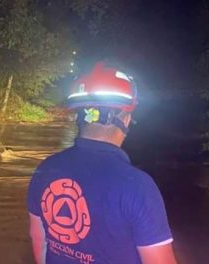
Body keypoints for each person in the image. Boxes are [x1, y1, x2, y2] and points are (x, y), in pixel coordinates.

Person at [27, 61, 177, 264]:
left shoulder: (45, 170)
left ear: (79, 118)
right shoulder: (138, 186)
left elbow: (39, 241)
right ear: (125, 120)